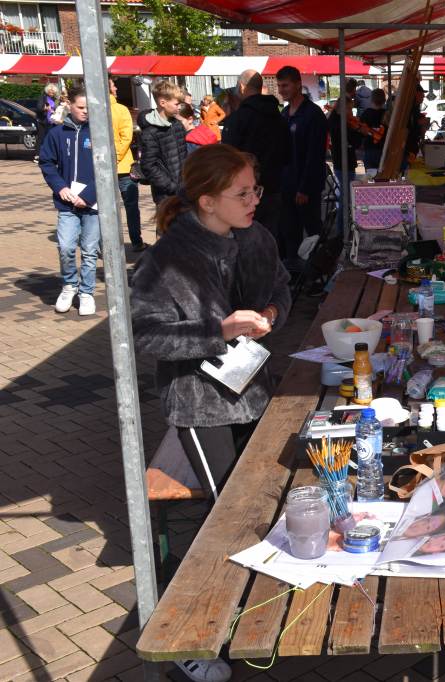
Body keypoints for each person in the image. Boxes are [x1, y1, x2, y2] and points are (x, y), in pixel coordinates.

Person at [131, 143, 288, 682]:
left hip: (253, 392)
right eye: (242, 193)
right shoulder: (167, 258)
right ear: (206, 200)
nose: (253, 200)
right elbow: (144, 334)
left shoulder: (256, 237)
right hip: (201, 405)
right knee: (229, 519)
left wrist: (271, 312)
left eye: (255, 189)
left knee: (259, 505)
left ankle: (242, 610)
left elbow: (281, 287)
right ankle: (187, 633)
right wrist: (218, 331)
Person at [39, 85, 100, 317]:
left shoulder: (98, 133)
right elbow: (47, 162)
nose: (85, 111)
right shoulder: (57, 133)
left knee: (90, 250)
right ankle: (69, 285)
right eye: (81, 107)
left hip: (92, 204)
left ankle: (86, 292)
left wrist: (89, 196)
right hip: (66, 203)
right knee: (65, 247)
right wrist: (61, 187)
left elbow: (106, 167)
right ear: (70, 105)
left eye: (88, 107)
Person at [221, 71, 291, 236]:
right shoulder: (279, 118)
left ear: (242, 87)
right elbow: (288, 154)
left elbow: (227, 157)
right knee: (271, 237)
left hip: (244, 193)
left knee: (246, 239)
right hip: (275, 188)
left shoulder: (239, 118)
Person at [277, 65, 327, 260]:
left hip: (307, 188)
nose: (281, 90)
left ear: (298, 85)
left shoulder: (313, 114)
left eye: (285, 85)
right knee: (290, 232)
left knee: (313, 232)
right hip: (287, 185)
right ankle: (293, 270)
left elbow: (315, 154)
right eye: (279, 86)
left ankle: (319, 270)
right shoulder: (284, 113)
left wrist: (305, 188)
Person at [139, 79, 188, 208]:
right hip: (166, 196)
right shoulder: (150, 132)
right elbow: (148, 166)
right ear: (162, 103)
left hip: (184, 191)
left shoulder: (177, 125)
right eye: (176, 104)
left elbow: (184, 156)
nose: (179, 107)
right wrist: (171, 187)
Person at [109, 79, 145, 251]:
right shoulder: (120, 109)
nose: (116, 88)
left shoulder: (92, 110)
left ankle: (108, 244)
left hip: (107, 167)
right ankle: (136, 242)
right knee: (131, 207)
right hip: (122, 166)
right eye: (113, 85)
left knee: (106, 208)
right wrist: (115, 158)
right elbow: (127, 137)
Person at [359, 88, 388, 173]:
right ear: (384, 100)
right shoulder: (387, 114)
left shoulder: (365, 114)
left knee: (371, 177)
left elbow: (360, 132)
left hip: (369, 150)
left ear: (371, 99)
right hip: (384, 150)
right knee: (384, 177)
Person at [35, 83, 60, 156]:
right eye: (50, 90)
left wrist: (54, 111)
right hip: (43, 121)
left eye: (53, 91)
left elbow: (55, 109)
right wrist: (45, 108)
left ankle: (47, 154)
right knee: (41, 138)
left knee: (50, 138)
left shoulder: (55, 99)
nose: (52, 92)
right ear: (47, 91)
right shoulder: (43, 97)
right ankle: (37, 155)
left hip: (51, 122)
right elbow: (38, 108)